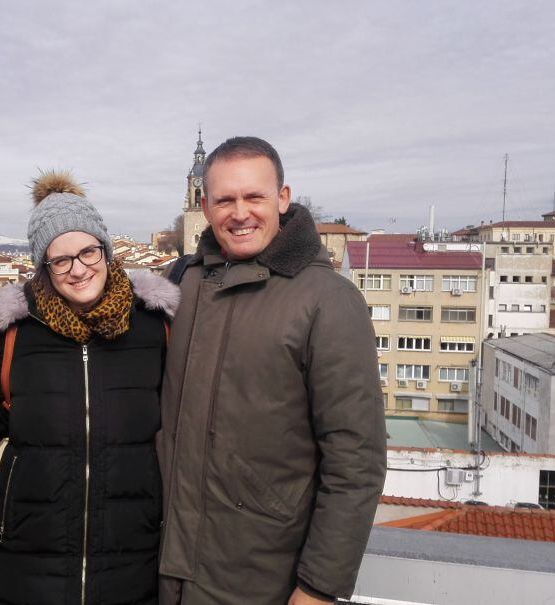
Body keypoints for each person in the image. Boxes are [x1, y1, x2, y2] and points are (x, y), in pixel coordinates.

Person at [158, 137, 386, 604]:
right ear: (205, 205)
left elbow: (355, 462)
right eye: (224, 199)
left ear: (282, 199)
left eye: (254, 197)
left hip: (262, 580)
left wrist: (319, 587)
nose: (239, 213)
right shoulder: (183, 284)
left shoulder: (328, 300)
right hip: (169, 573)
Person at [0, 171, 180, 604]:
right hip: (27, 570)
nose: (78, 269)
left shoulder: (155, 329)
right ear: (44, 268)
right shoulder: (15, 334)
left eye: (88, 251)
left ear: (105, 250)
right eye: (61, 259)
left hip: (133, 566)